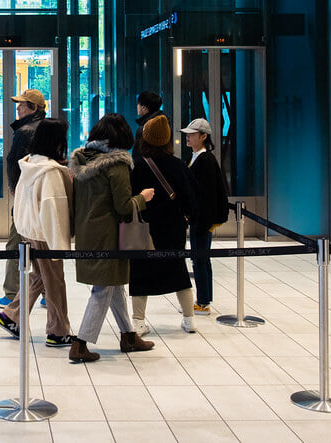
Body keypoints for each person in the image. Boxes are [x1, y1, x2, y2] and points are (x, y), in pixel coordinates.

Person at [68, 113, 156, 363]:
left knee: (114, 284)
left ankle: (129, 336)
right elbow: (124, 207)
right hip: (108, 235)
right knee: (103, 289)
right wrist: (143, 198)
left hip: (87, 233)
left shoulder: (82, 161)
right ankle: (80, 343)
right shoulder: (116, 165)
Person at [0, 118, 74, 347]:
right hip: (46, 234)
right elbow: (53, 208)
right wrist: (60, 245)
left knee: (38, 277)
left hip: (30, 230)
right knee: (55, 282)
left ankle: (11, 316)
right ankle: (58, 331)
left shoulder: (30, 164)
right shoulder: (50, 172)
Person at [129, 114, 200, 333]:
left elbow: (129, 197)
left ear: (145, 139)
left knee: (140, 272)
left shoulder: (138, 166)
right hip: (173, 227)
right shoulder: (178, 165)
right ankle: (189, 320)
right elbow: (192, 197)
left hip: (143, 228)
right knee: (178, 270)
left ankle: (139, 322)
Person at [0, 88, 47, 308]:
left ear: (33, 108)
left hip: (25, 195)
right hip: (44, 194)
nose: (18, 108)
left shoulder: (24, 130)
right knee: (44, 243)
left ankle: (11, 292)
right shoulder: (50, 128)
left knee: (16, 241)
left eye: (22, 104)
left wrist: (12, 186)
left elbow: (13, 160)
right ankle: (47, 292)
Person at [180, 118, 229, 315]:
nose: (188, 137)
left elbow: (206, 195)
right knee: (201, 259)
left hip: (202, 220)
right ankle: (204, 299)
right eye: (188, 134)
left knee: (200, 259)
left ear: (203, 136)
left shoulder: (205, 160)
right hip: (198, 218)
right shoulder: (196, 157)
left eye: (192, 134)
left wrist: (198, 220)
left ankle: (202, 301)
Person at [132, 90, 165, 158]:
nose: (137, 106)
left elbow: (137, 154)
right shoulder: (165, 123)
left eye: (138, 104)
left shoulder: (145, 128)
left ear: (144, 108)